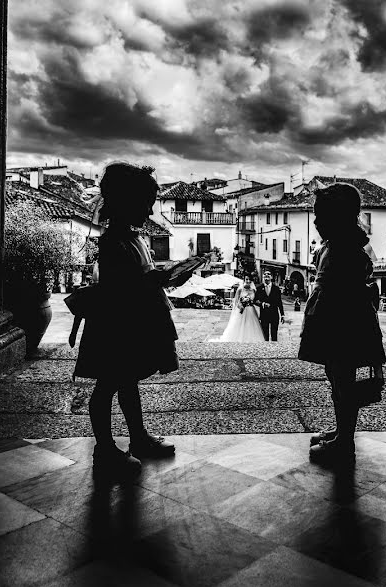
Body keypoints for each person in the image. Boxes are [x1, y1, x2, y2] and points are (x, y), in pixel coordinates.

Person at [71, 161, 195, 481]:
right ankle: (105, 449)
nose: (151, 212)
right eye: (146, 204)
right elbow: (120, 288)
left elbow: (137, 280)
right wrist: (157, 279)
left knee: (126, 382)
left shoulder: (130, 236)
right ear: (127, 202)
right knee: (108, 386)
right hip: (116, 327)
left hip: (127, 323)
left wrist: (165, 278)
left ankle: (137, 438)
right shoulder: (114, 241)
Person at [298, 183, 386, 465]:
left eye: (320, 215)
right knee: (336, 378)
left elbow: (348, 288)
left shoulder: (345, 248)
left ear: (337, 217)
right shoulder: (337, 244)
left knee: (342, 379)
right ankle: (341, 431)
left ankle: (345, 442)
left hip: (340, 324)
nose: (314, 221)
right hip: (333, 320)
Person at [217, 275, 265, 342]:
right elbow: (236, 302)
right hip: (242, 311)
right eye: (247, 279)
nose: (248, 281)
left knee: (250, 326)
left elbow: (255, 301)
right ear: (244, 280)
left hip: (251, 311)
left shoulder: (253, 290)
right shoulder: (240, 290)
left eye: (250, 280)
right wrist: (241, 306)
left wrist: (255, 302)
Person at [254, 271, 285, 341]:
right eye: (265, 275)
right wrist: (262, 304)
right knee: (265, 335)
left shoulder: (276, 289)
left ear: (271, 277)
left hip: (274, 314)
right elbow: (255, 301)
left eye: (269, 275)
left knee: (274, 335)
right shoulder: (259, 288)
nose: (266, 276)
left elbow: (279, 302)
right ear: (263, 277)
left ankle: (274, 350)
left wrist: (282, 315)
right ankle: (266, 350)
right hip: (264, 315)